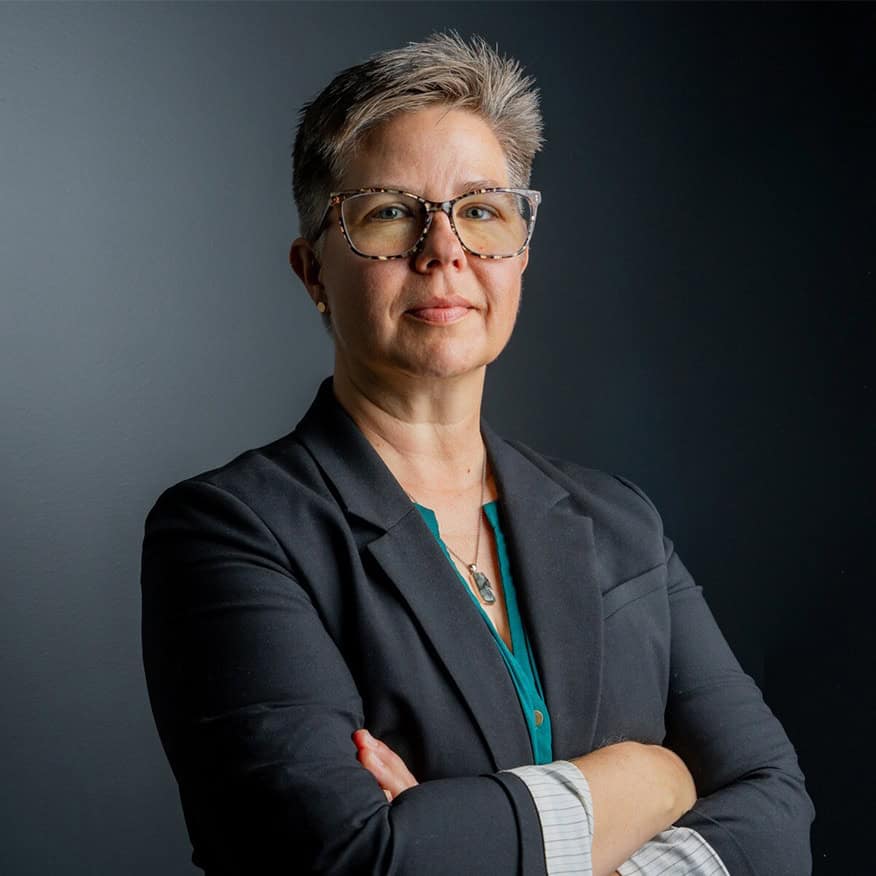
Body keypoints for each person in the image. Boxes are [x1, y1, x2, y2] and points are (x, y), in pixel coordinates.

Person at [140, 33, 814, 875]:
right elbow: (354, 860)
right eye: (390, 212)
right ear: (313, 270)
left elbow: (776, 814)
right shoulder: (230, 533)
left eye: (483, 210)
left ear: (520, 254)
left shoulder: (621, 522)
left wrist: (461, 832)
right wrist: (651, 779)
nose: (444, 250)